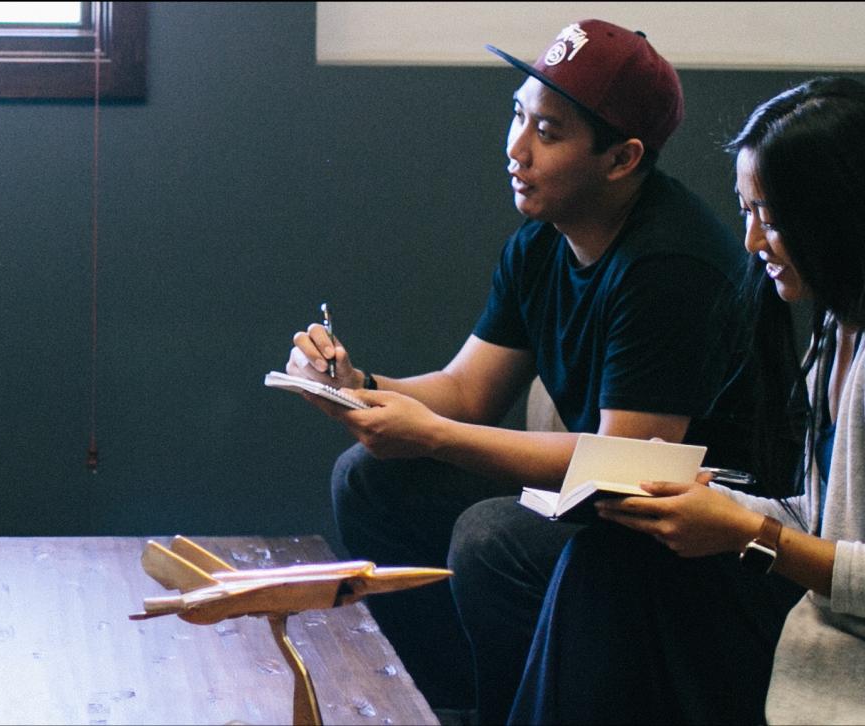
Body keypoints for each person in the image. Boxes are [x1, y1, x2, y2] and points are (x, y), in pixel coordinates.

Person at [505, 76, 865, 723]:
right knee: (616, 556)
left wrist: (749, 533)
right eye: (747, 212)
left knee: (614, 573)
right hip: (853, 630)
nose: (751, 242)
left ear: (844, 218)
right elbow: (840, 521)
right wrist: (718, 500)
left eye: (771, 219)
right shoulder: (841, 331)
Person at [283, 20, 765, 716]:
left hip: (697, 546)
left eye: (549, 131)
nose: (517, 148)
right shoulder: (541, 241)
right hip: (609, 509)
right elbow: (468, 391)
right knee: (370, 479)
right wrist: (358, 389)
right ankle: (455, 707)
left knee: (494, 539)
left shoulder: (671, 266)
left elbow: (628, 463)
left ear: (622, 158)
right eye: (518, 115)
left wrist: (433, 434)